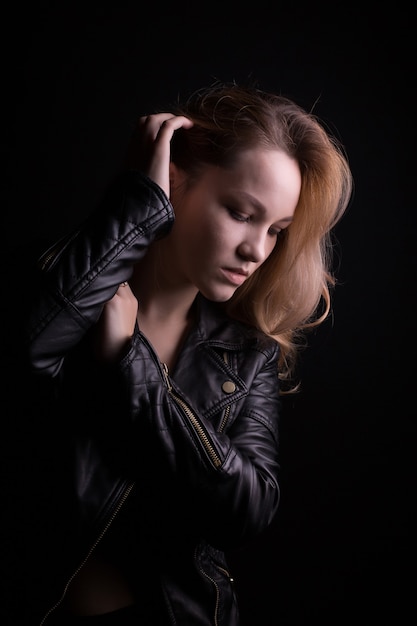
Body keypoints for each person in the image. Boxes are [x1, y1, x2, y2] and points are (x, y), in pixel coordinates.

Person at [1, 81, 352, 625]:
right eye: (240, 212)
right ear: (174, 181)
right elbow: (23, 354)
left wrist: (131, 358)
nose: (256, 250)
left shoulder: (245, 355)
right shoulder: (59, 290)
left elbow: (248, 508)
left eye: (277, 231)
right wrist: (137, 206)